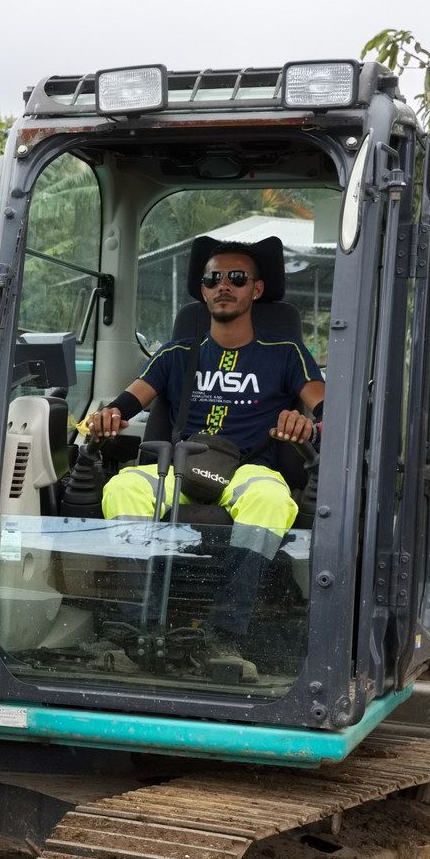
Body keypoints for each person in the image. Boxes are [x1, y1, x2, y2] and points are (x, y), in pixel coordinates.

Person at [83, 245, 326, 659]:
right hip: (178, 469)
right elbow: (124, 405)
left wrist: (307, 423)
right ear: (203, 291)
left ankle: (226, 633)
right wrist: (106, 420)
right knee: (124, 488)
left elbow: (327, 411)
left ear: (257, 289)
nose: (224, 287)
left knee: (271, 500)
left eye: (237, 279)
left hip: (249, 471)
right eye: (214, 280)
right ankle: (130, 624)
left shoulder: (286, 353)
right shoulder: (176, 353)